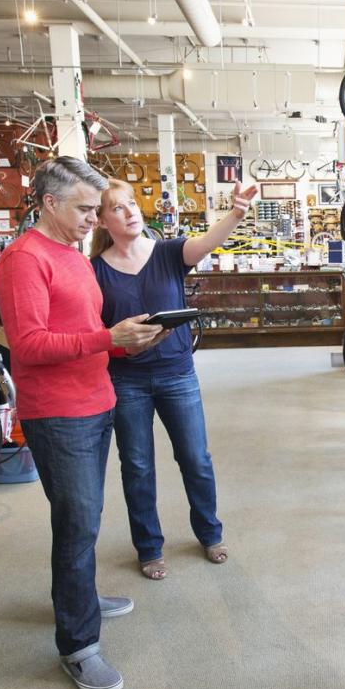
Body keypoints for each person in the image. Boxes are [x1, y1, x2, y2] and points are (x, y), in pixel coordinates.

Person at [0, 157, 167, 689]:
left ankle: (80, 598)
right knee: (77, 524)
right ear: (49, 203)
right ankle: (78, 643)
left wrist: (128, 337)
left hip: (94, 400)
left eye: (99, 208)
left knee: (85, 517)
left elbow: (84, 326)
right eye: (86, 209)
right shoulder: (24, 260)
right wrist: (108, 339)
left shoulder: (69, 253)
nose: (96, 219)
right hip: (58, 412)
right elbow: (29, 345)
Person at [90, 178, 257, 581]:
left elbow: (207, 242)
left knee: (196, 459)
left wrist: (234, 212)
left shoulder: (166, 252)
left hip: (177, 373)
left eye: (132, 203)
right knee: (138, 466)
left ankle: (210, 532)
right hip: (126, 381)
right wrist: (121, 346)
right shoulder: (93, 271)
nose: (130, 211)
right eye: (118, 207)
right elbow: (95, 332)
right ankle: (148, 547)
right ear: (100, 220)